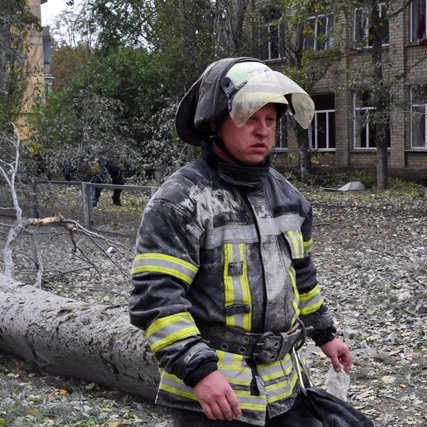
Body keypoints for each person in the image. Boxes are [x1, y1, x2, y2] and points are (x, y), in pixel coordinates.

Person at [128, 57, 352, 426]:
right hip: (216, 397)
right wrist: (200, 372)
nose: (263, 131)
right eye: (249, 118)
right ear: (214, 123)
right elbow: (156, 298)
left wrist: (325, 334)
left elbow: (303, 279)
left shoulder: (291, 200)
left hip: (284, 386)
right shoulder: (181, 200)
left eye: (271, 120)